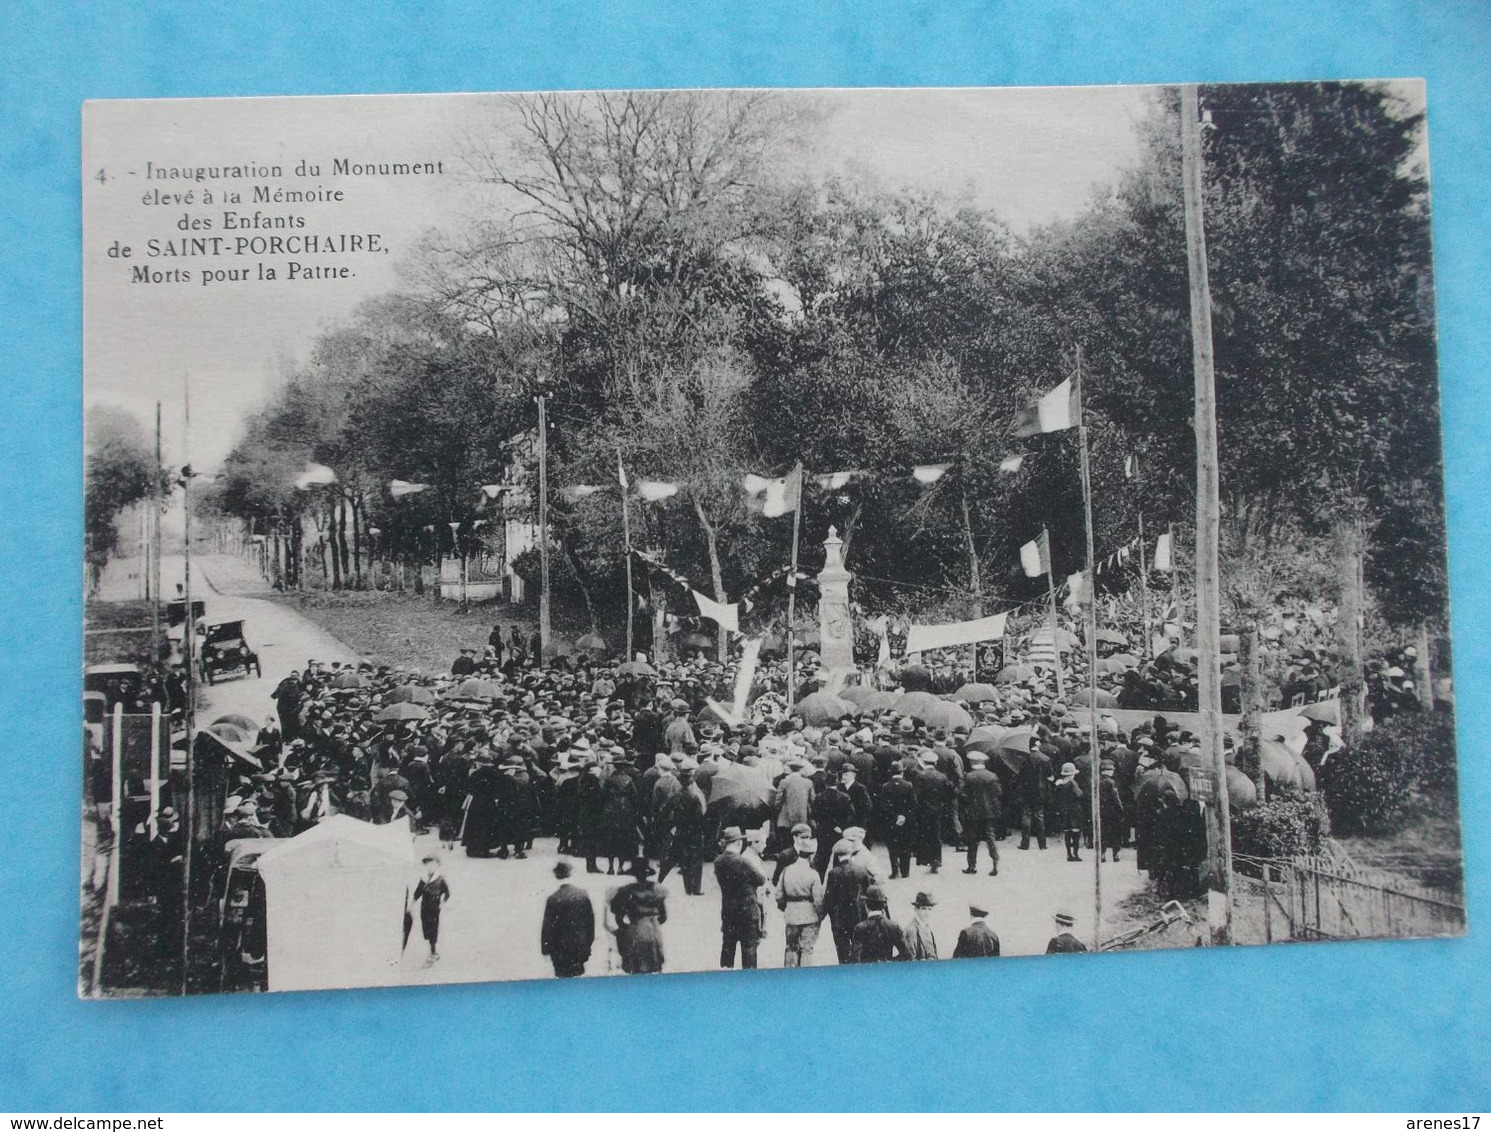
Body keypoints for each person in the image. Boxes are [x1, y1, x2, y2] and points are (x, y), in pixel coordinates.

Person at [714, 825, 767, 970]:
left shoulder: (718, 862)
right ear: (738, 843)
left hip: (728, 910)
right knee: (749, 949)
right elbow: (760, 879)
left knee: (728, 947)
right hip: (747, 911)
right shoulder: (742, 861)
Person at [610, 857, 668, 974]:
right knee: (653, 966)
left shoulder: (627, 891)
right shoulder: (656, 890)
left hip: (636, 930)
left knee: (637, 966)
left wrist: (627, 927)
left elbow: (618, 917)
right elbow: (663, 916)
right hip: (653, 931)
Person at [776, 834, 826, 968]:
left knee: (791, 947)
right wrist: (819, 916)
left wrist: (787, 907)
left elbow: (779, 894)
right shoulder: (813, 874)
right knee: (806, 949)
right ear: (811, 855)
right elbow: (818, 899)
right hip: (809, 915)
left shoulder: (787, 870)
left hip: (791, 914)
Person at [540, 861, 596, 978]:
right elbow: (590, 923)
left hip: (559, 948)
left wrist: (546, 948)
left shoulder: (553, 898)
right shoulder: (582, 895)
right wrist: (588, 944)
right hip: (578, 945)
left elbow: (548, 926)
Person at [959, 750, 1001, 876]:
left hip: (973, 812)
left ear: (972, 762)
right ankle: (995, 863)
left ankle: (971, 866)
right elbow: (998, 793)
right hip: (989, 812)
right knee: (990, 837)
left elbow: (963, 794)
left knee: (972, 839)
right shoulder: (992, 776)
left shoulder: (969, 777)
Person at [848, 885, 908, 963]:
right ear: (883, 906)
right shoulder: (894, 926)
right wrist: (890, 961)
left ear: (866, 906)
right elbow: (907, 955)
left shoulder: (860, 928)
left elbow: (855, 958)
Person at [410, 855, 450, 966]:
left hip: (434, 907)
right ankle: (432, 949)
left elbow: (447, 893)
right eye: (428, 865)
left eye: (432, 864)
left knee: (433, 928)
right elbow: (418, 891)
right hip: (424, 907)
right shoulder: (424, 878)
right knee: (426, 928)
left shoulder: (440, 879)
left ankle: (433, 952)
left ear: (437, 865)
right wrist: (412, 902)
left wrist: (442, 903)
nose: (430, 867)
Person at [1054, 761, 1085, 862]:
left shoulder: (1059, 784)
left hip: (1064, 810)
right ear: (1072, 773)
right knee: (1076, 833)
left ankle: (1069, 854)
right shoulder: (1072, 783)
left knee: (1067, 832)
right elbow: (1079, 795)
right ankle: (1075, 854)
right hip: (1074, 810)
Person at [902, 891, 939, 960]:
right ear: (916, 909)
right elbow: (910, 961)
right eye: (924, 909)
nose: (927, 913)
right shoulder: (911, 930)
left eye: (929, 909)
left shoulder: (928, 928)